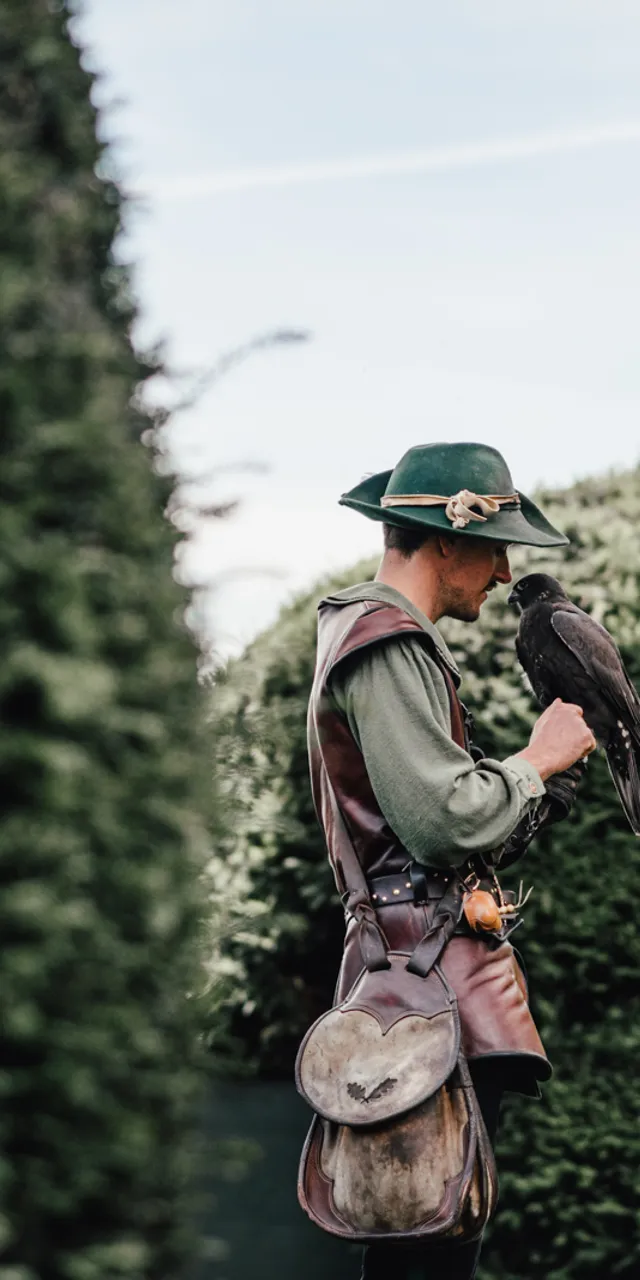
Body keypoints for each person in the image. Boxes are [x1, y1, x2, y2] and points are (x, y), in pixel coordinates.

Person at [306, 442, 595, 1280]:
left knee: (424, 1246)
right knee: (427, 1256)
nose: (506, 574)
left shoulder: (367, 635)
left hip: (414, 978)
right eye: (496, 547)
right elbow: (442, 822)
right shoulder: (386, 640)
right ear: (445, 539)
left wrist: (526, 796)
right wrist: (534, 762)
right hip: (427, 991)